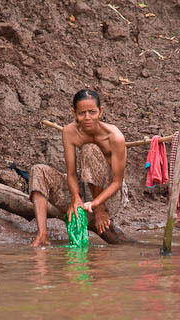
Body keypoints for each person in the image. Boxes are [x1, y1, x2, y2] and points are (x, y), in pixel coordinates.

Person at [29, 89, 133, 246]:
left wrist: (98, 206)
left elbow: (117, 182)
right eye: (82, 113)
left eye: (92, 112)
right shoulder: (69, 131)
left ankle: (99, 210)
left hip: (110, 197)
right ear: (74, 113)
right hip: (82, 191)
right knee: (38, 170)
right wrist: (75, 198)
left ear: (101, 111)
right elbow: (70, 174)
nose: (87, 117)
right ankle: (42, 234)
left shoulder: (114, 136)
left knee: (89, 149)